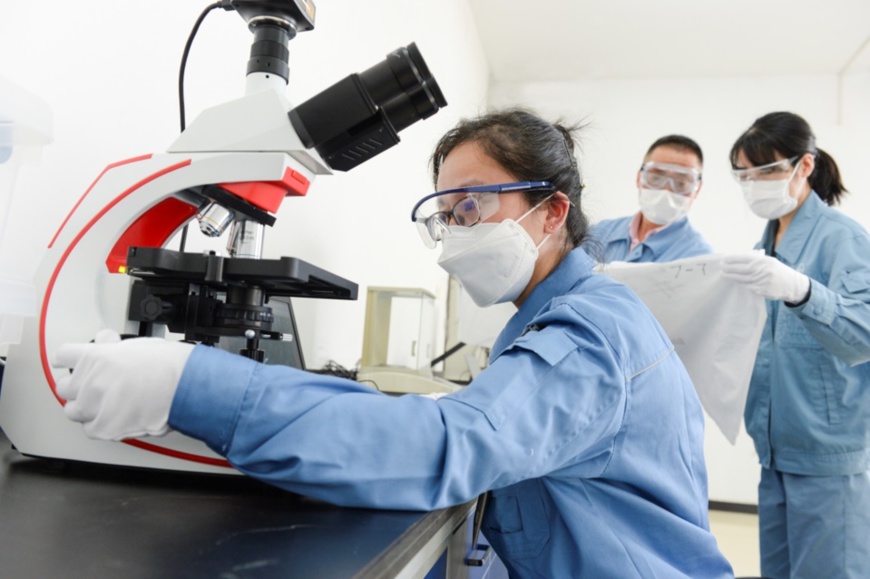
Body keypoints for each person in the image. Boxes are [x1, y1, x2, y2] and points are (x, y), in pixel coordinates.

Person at [53, 108, 733, 578]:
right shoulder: (565, 309)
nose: (456, 231)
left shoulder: (587, 332)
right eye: (445, 214)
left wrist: (189, 381)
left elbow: (450, 444)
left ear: (552, 211)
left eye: (471, 207)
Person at [721, 111, 870, 578]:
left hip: (827, 458)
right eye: (743, 175)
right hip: (774, 452)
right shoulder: (766, 244)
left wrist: (804, 292)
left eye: (767, 171)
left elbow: (863, 334)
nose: (754, 184)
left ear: (804, 166)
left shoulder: (842, 239)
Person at [589, 134, 712, 263]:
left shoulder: (700, 260)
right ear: (639, 178)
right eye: (656, 178)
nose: (666, 190)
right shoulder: (598, 234)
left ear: (697, 190)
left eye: (681, 183)